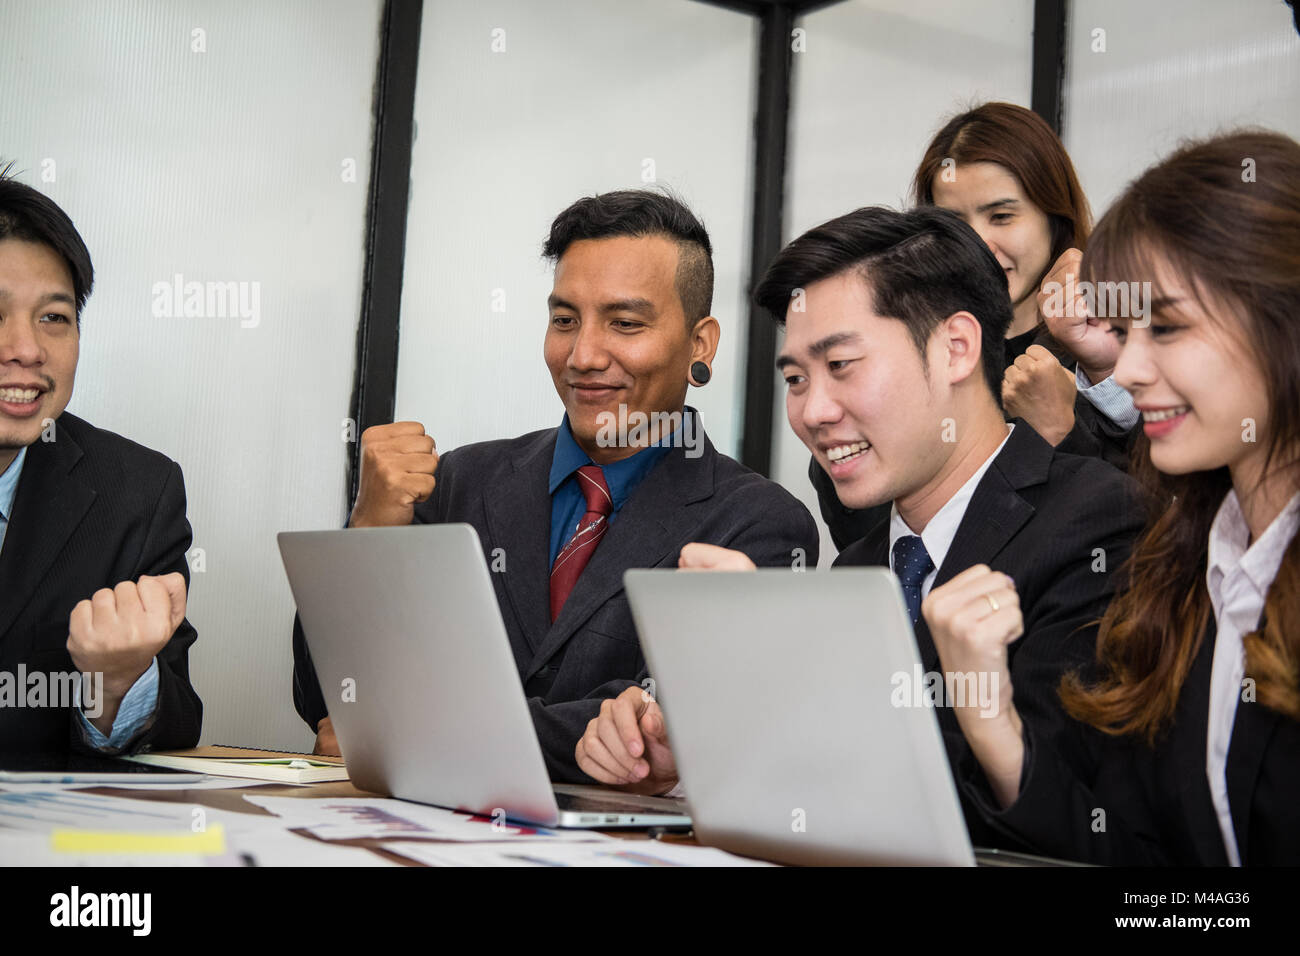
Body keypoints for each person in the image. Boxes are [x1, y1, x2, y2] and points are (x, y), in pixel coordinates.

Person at [576, 206, 1142, 831]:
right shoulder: (860, 565)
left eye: (841, 365)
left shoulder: (1100, 524)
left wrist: (792, 670)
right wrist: (689, 762)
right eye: (795, 378)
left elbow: (1075, 819)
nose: (813, 411)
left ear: (956, 348)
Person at [292, 190, 818, 782]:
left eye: (624, 323)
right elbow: (328, 700)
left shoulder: (757, 523)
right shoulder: (460, 481)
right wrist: (367, 533)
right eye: (564, 320)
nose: (584, 355)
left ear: (701, 344)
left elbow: (658, 721)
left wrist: (411, 729)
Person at [931, 130, 1300, 865]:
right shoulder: (1185, 569)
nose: (1127, 368)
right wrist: (990, 716)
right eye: (1126, 331)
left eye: (1166, 327)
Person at [813, 103, 1140, 550]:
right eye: (955, 223)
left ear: (1054, 217)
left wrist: (1079, 410)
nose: (980, 245)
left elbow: (1149, 527)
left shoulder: (1114, 331)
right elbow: (867, 537)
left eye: (1002, 216)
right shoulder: (902, 350)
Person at [0, 168, 202, 756]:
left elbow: (179, 724)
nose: (27, 349)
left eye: (54, 318)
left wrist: (117, 682)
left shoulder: (135, 492)